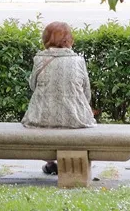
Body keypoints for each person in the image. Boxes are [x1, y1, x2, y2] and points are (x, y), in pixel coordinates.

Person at [22, 21, 95, 175]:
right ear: (69, 40)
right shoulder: (78, 61)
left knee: (46, 119)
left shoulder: (39, 59)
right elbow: (86, 93)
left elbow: (33, 86)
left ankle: (51, 163)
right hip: (76, 120)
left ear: (46, 39)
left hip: (40, 120)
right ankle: (72, 164)